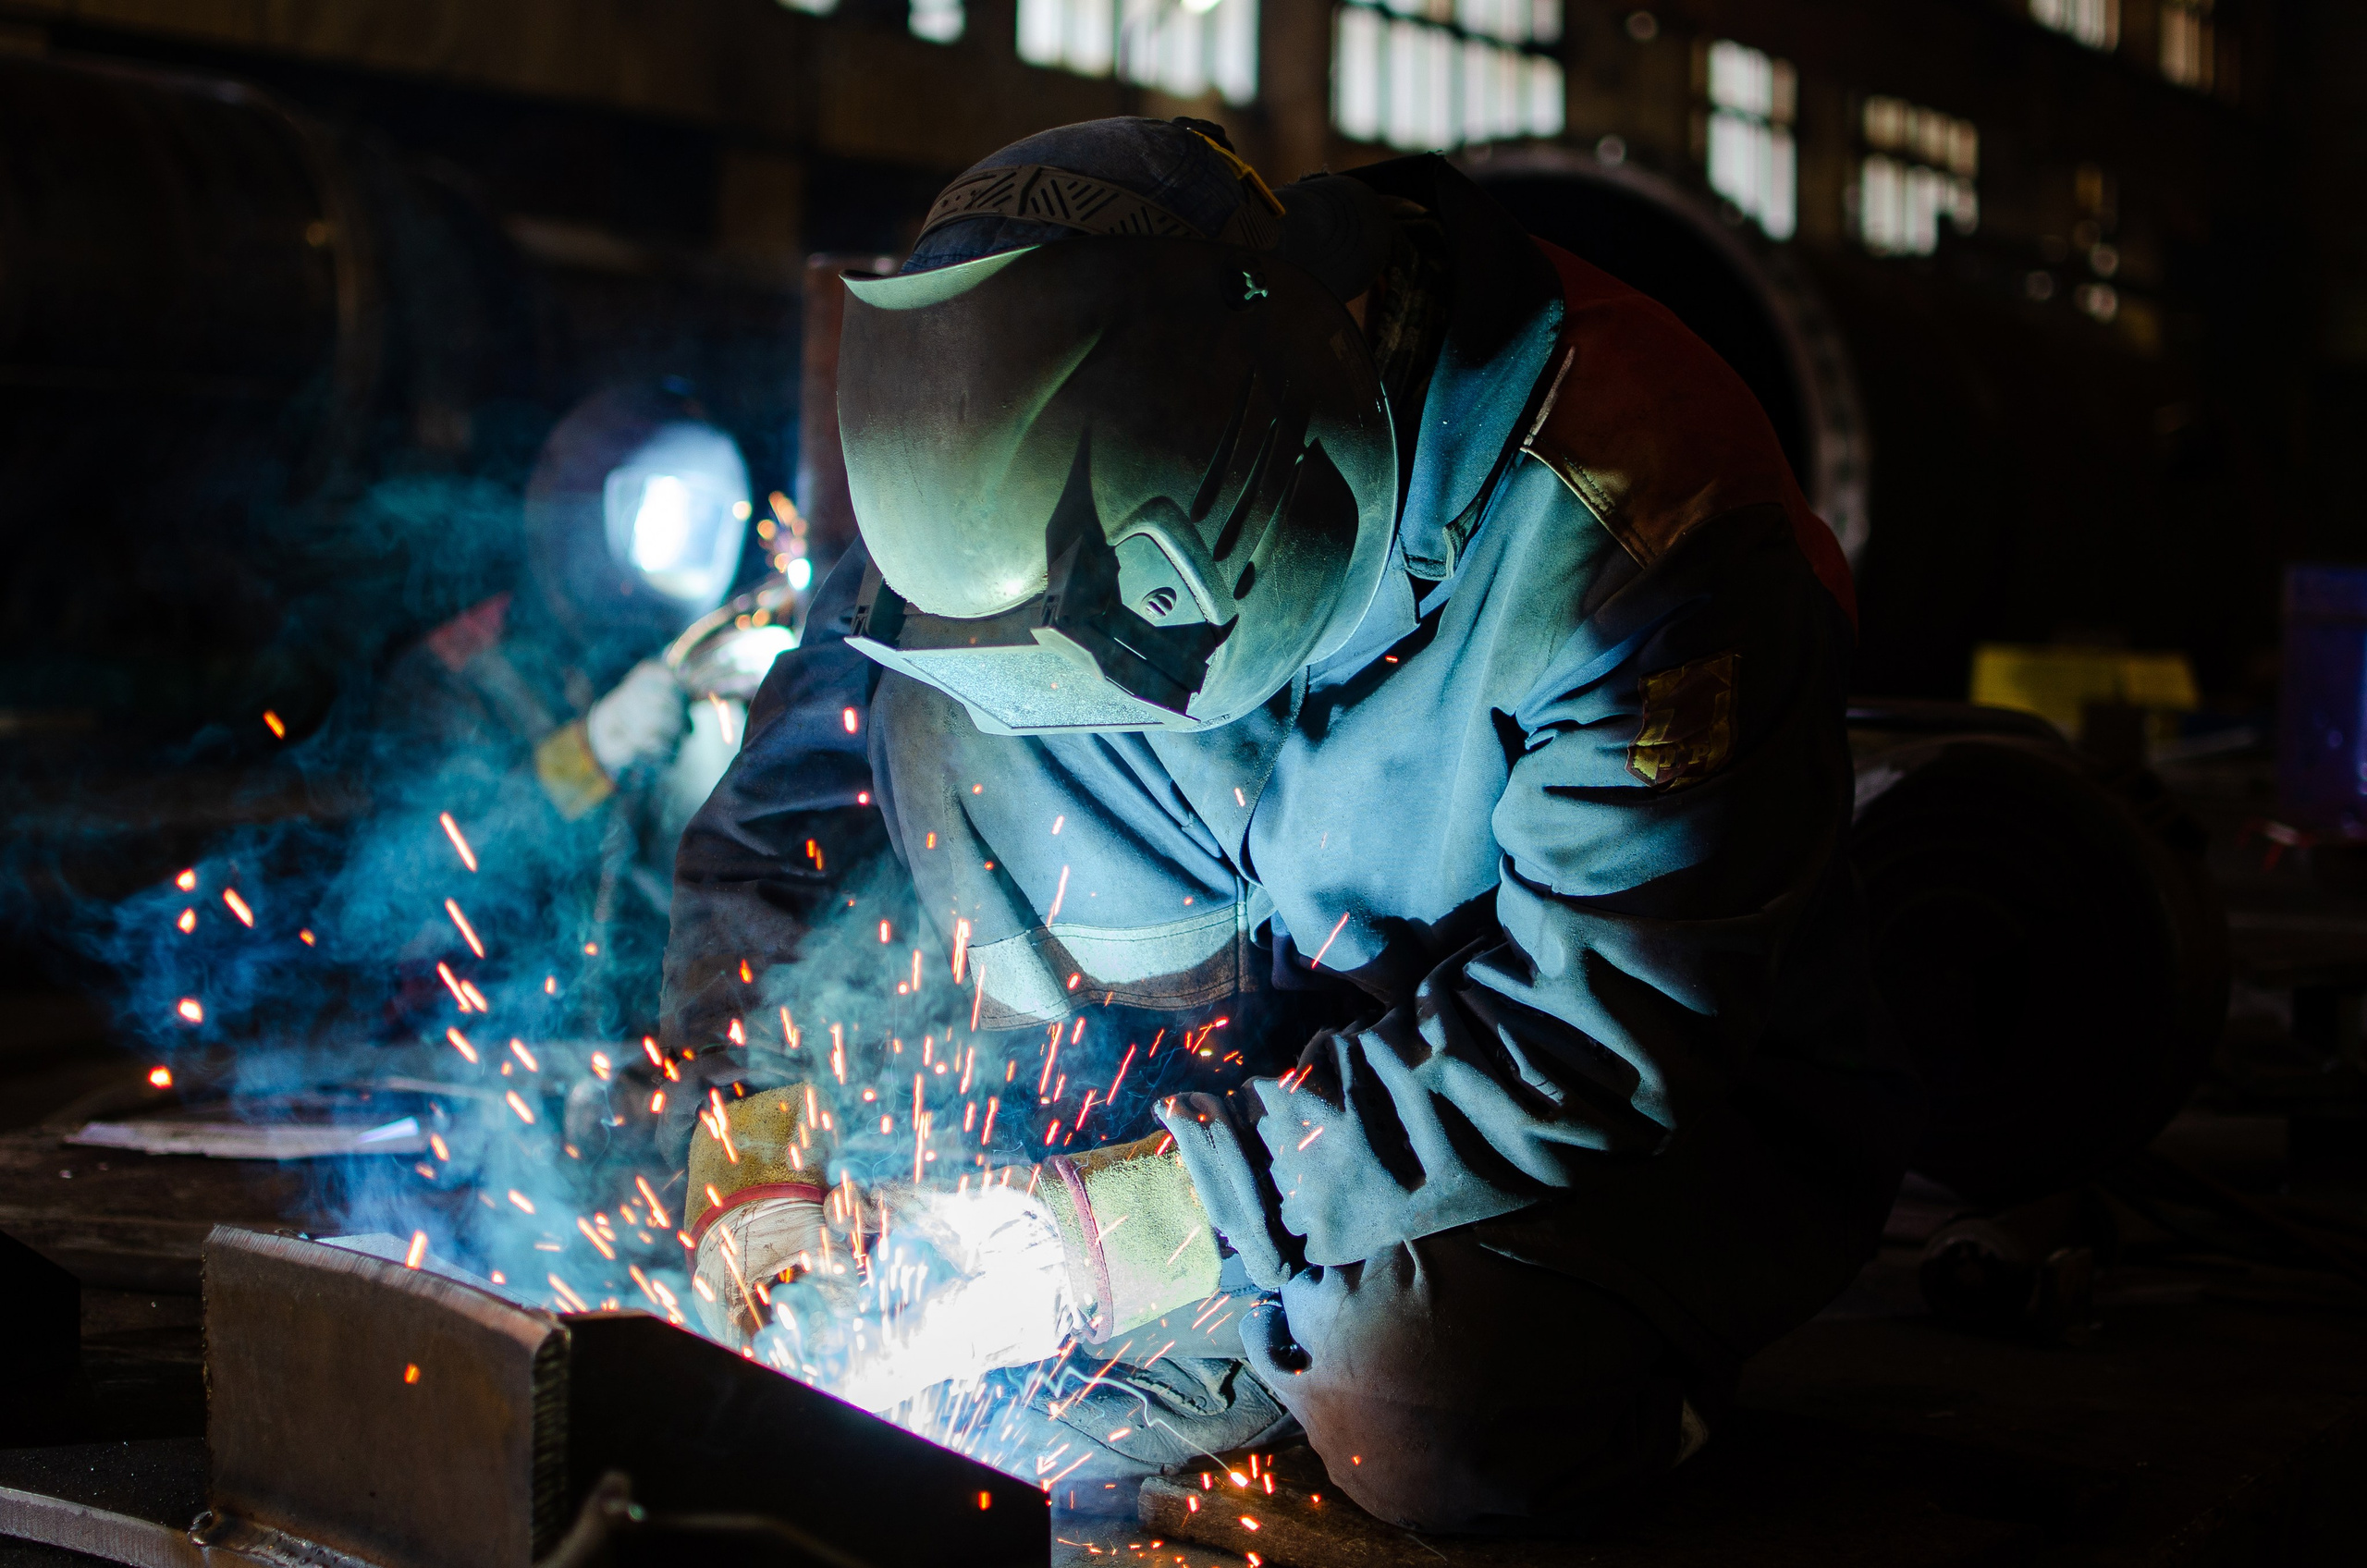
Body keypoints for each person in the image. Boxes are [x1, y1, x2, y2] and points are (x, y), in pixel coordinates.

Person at [658, 118, 1918, 1533]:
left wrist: (1104, 1237)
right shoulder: (1016, 477)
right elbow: (777, 833)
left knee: (1423, 1388)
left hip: (1624, 1114)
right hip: (1258, 1087)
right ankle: (1210, 1276)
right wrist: (749, 1144)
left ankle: (1531, 1360)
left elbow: (1596, 1038)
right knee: (932, 717)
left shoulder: (1641, 523)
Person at [374, 381, 754, 1043]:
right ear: (576, 510)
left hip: (648, 1052)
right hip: (477, 1041)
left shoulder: (709, 685)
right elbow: (437, 870)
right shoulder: (457, 673)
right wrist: (592, 752)